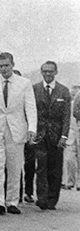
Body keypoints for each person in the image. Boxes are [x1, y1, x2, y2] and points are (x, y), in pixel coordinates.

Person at [0, 52, 37, 214]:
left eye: (6, 65)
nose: (4, 69)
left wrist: (32, 129)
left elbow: (30, 107)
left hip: (16, 130)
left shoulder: (24, 83)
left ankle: (12, 201)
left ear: (12, 65)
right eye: (1, 66)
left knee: (14, 168)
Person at [32, 61, 72, 210]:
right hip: (40, 134)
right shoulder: (35, 89)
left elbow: (66, 116)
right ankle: (41, 198)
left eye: (50, 71)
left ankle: (52, 199)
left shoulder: (63, 91)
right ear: (41, 72)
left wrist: (64, 136)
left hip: (57, 136)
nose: (48, 74)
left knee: (55, 168)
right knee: (41, 166)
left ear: (56, 72)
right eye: (45, 71)